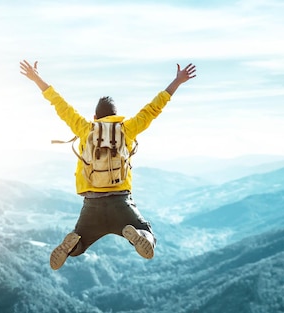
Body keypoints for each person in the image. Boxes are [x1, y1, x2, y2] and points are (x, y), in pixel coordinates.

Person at [20, 59, 197, 270]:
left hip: (91, 206)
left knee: (80, 244)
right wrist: (177, 81)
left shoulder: (85, 129)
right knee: (148, 234)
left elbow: (60, 104)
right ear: (116, 115)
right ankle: (138, 235)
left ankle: (72, 245)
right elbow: (153, 109)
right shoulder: (126, 129)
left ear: (95, 117)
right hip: (121, 203)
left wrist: (36, 78)